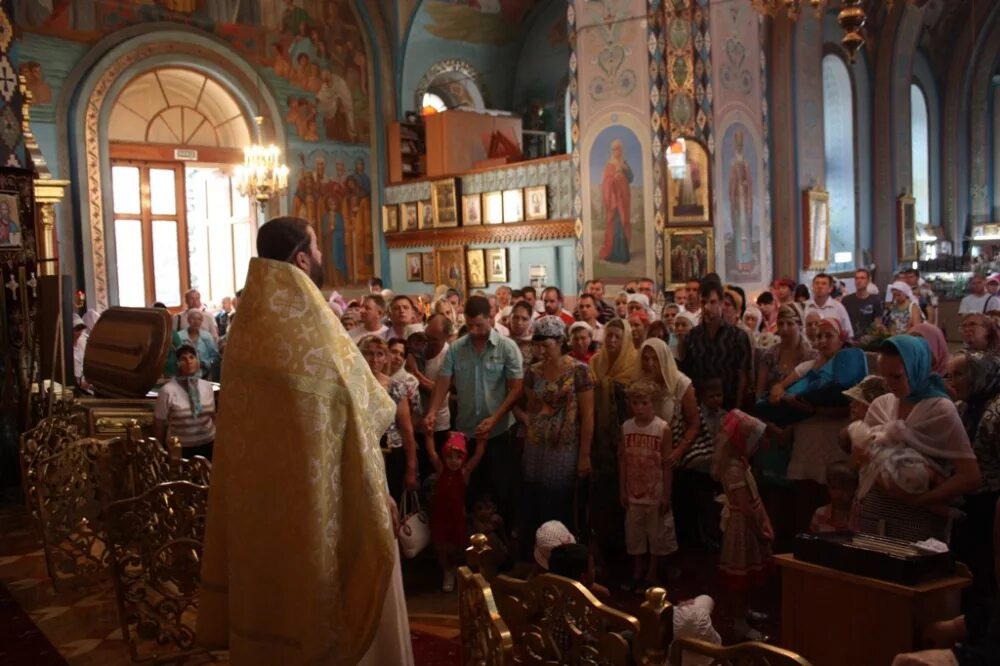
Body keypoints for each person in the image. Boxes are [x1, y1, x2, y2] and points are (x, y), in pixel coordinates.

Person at [198, 217, 414, 665]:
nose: (321, 257)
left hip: (260, 507)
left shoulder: (246, 332)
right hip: (322, 506)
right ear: (300, 258)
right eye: (316, 249)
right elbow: (368, 409)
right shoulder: (315, 331)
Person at [856, 336, 982, 543]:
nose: (888, 384)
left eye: (896, 377)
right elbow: (863, 462)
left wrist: (919, 500)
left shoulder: (940, 409)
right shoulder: (880, 405)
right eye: (884, 376)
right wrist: (860, 454)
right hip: (875, 510)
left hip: (920, 519)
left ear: (917, 368)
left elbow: (970, 477)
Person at [424, 296, 524, 523]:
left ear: (490, 318)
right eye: (469, 325)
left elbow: (516, 390)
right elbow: (443, 382)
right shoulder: (457, 349)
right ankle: (471, 548)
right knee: (468, 491)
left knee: (500, 491)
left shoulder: (507, 348)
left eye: (479, 325)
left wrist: (495, 417)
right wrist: (432, 411)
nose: (474, 330)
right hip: (466, 432)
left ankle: (502, 548)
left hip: (498, 433)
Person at [519, 316, 595, 557]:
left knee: (559, 501)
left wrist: (584, 455)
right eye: (537, 346)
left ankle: (562, 558)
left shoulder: (579, 371)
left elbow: (588, 415)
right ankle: (537, 556)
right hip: (536, 444)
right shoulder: (533, 372)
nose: (541, 351)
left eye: (547, 346)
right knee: (533, 499)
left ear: (560, 342)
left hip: (564, 446)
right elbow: (531, 404)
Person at [713, 410, 774, 641]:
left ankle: (744, 612)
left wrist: (764, 519)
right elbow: (745, 507)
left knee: (748, 573)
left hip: (749, 526)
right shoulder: (732, 469)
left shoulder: (739, 462)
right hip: (742, 529)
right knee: (739, 576)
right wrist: (759, 529)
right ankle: (739, 621)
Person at [947, 351, 1000, 600]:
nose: (953, 381)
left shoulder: (995, 411)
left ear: (979, 375)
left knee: (986, 569)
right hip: (967, 500)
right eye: (950, 375)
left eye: (960, 374)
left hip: (991, 504)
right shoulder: (965, 407)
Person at [588, 318, 641, 553]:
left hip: (626, 440)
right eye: (609, 335)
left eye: (617, 337)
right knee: (603, 495)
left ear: (625, 339)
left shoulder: (634, 364)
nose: (611, 340)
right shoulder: (595, 362)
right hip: (599, 444)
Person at [619, 379, 677, 590]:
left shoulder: (662, 428)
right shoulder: (626, 427)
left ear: (653, 403)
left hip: (655, 491)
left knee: (656, 535)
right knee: (634, 535)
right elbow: (623, 459)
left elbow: (667, 464)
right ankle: (637, 570)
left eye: (644, 403)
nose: (640, 408)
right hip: (634, 491)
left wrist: (666, 495)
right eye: (635, 403)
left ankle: (652, 572)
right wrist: (622, 489)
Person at [359, 335, 419, 499]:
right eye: (369, 354)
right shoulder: (353, 386)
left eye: (380, 354)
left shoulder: (395, 388)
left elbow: (407, 431)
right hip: (362, 453)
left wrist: (411, 469)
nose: (374, 359)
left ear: (386, 358)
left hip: (392, 454)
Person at [425, 431, 485, 592]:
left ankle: (460, 570)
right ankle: (447, 572)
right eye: (450, 457)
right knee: (440, 545)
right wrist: (429, 435)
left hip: (457, 516)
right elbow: (431, 452)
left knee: (459, 545)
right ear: (444, 457)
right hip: (440, 515)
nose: (454, 461)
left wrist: (481, 441)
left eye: (458, 457)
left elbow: (478, 456)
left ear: (463, 458)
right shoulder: (440, 469)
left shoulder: (464, 473)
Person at [680, 281, 752, 410]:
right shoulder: (692, 337)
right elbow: (687, 375)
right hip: (700, 407)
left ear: (721, 303)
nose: (707, 307)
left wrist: (738, 408)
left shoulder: (737, 337)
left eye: (712, 302)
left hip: (730, 404)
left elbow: (743, 376)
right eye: (703, 302)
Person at [154, 344, 217, 460]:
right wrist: (159, 452)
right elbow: (159, 424)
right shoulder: (167, 391)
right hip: (181, 449)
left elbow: (212, 416)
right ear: (177, 364)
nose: (189, 361)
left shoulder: (207, 387)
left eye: (192, 357)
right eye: (183, 358)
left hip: (209, 445)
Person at [599, 139, 633, 264]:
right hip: (615, 201)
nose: (617, 151)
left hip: (624, 199)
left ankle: (624, 253)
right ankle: (616, 254)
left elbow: (631, 178)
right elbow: (606, 183)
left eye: (619, 148)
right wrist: (614, 178)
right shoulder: (609, 165)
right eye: (615, 149)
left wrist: (625, 170)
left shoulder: (624, 163)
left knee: (625, 224)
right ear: (612, 150)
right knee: (617, 225)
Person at [167, 309, 220, 380]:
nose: (196, 322)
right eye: (193, 318)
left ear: (202, 321)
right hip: (184, 376)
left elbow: (215, 357)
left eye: (199, 319)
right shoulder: (179, 336)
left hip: (205, 375)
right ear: (188, 320)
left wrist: (204, 363)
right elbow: (175, 357)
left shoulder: (207, 336)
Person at [809, 462, 858, 533]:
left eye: (845, 489)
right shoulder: (820, 513)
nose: (839, 494)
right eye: (834, 488)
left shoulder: (857, 516)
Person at [805, 273, 854, 340]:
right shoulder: (804, 307)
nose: (819, 286)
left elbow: (848, 334)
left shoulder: (839, 308)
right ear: (812, 287)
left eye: (824, 283)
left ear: (830, 288)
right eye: (817, 283)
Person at [841, 268, 883, 339]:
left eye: (862, 278)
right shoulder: (846, 300)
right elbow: (843, 322)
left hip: (869, 341)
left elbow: (878, 323)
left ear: (868, 280)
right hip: (851, 340)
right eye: (856, 278)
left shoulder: (875, 300)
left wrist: (872, 336)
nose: (859, 281)